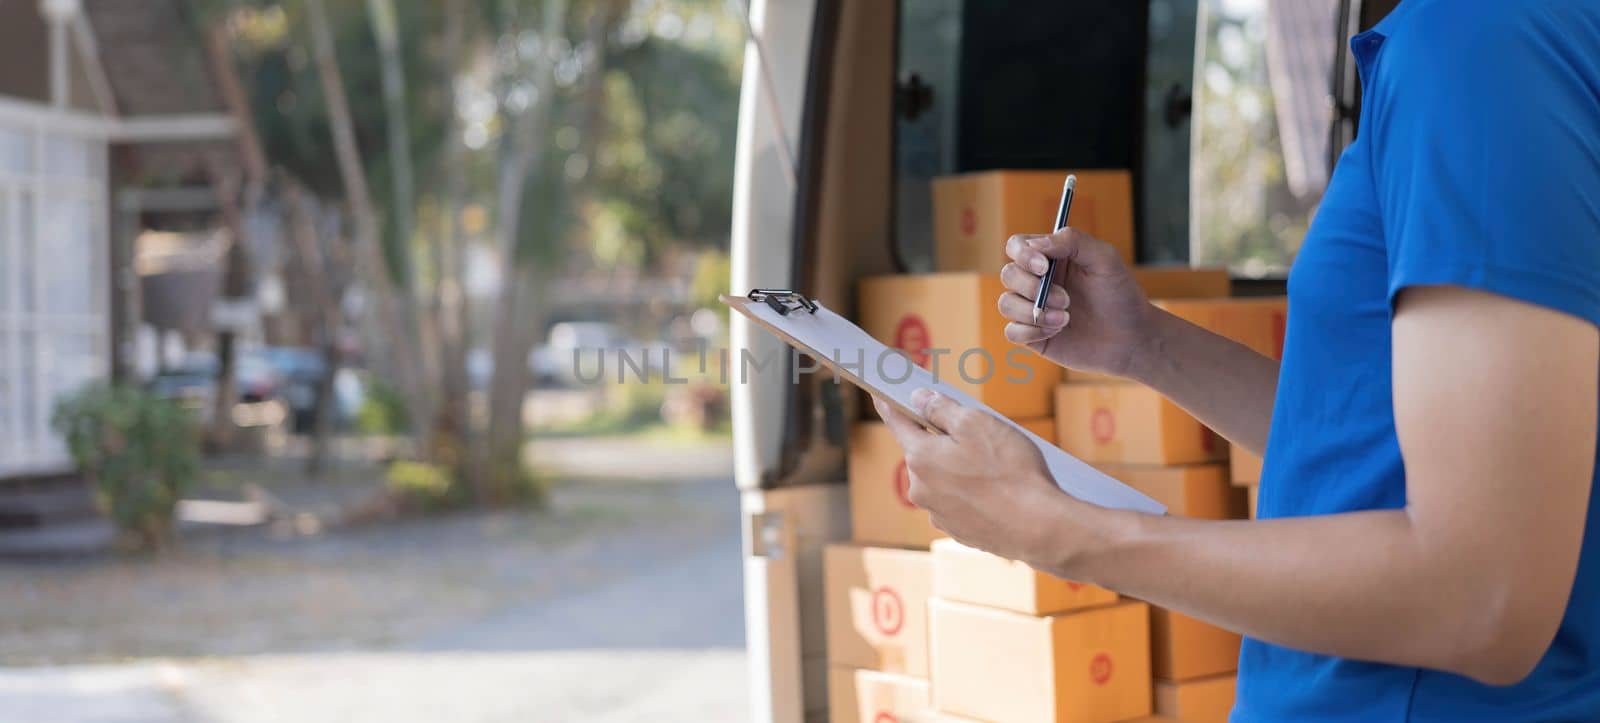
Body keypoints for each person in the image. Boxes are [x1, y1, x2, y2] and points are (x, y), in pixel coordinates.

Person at [872, 1, 1600, 720]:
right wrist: (1145, 343)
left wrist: (1053, 529)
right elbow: (1370, 448)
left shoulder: (1480, 43)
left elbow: (1478, 596)